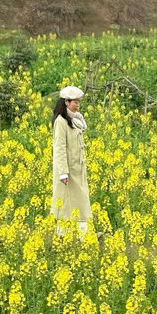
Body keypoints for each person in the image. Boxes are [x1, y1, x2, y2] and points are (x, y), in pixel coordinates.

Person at [51, 85, 92, 237]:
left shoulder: (75, 120)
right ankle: (63, 236)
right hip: (67, 173)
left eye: (78, 102)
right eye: (75, 102)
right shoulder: (61, 122)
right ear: (66, 102)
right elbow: (59, 148)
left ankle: (83, 235)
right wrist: (63, 173)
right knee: (65, 205)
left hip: (77, 170)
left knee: (80, 203)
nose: (78, 105)